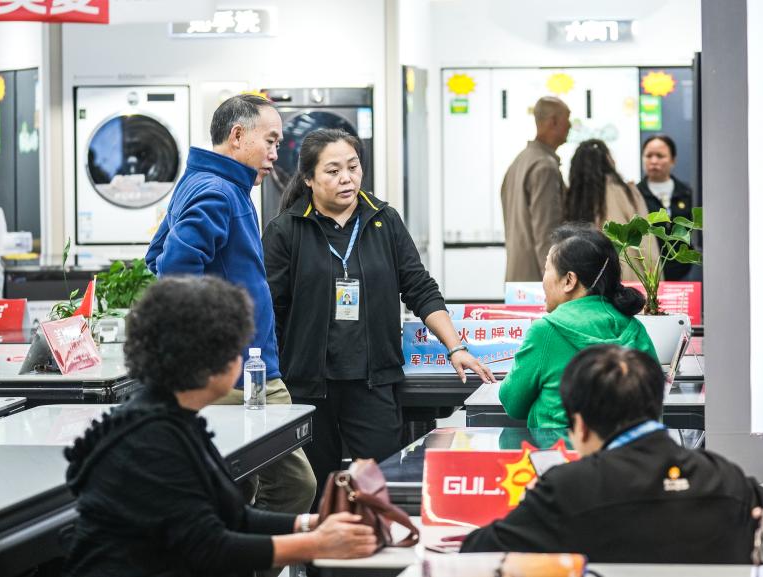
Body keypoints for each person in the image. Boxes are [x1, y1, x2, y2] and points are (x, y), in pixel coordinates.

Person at [63, 277, 377, 576]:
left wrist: (310, 525)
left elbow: (232, 517)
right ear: (210, 359)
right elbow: (209, 548)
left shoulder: (171, 420)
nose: (240, 359)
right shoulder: (152, 440)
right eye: (235, 348)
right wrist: (317, 544)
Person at [263, 128, 495, 509]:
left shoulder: (383, 221)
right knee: (316, 493)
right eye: (333, 171)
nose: (347, 178)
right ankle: (322, 549)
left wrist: (456, 347)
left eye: (353, 167)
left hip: (373, 383)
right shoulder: (287, 230)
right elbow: (269, 310)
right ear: (308, 178)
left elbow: (419, 287)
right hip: (307, 386)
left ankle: (377, 549)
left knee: (381, 489)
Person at [144, 93, 316, 514]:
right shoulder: (218, 191)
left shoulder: (206, 183)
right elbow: (175, 272)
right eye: (270, 141)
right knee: (295, 484)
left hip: (240, 367)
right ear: (238, 136)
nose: (275, 154)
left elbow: (156, 256)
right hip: (240, 375)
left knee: (237, 488)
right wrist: (214, 349)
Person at [463, 344, 763, 563]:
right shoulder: (728, 478)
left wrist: (534, 503)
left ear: (581, 426)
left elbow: (476, 552)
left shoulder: (567, 489)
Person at [499, 224, 657, 429]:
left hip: (557, 447)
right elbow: (652, 404)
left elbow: (513, 403)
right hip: (626, 448)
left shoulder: (546, 332)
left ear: (569, 280)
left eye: (547, 269)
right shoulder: (635, 330)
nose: (543, 279)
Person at [563, 138, 658, 283]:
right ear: (609, 162)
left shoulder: (571, 198)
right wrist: (656, 279)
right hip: (626, 276)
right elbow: (646, 241)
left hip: (583, 279)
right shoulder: (626, 192)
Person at [501, 96, 571, 282]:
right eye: (567, 119)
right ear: (553, 122)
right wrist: (556, 281)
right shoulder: (545, 167)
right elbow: (547, 233)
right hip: (537, 280)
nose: (570, 126)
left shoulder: (520, 161)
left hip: (517, 277)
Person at [637, 134, 697, 281]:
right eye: (648, 156)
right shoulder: (635, 194)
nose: (653, 161)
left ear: (673, 160)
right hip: (647, 273)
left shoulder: (687, 193)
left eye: (660, 156)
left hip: (684, 272)